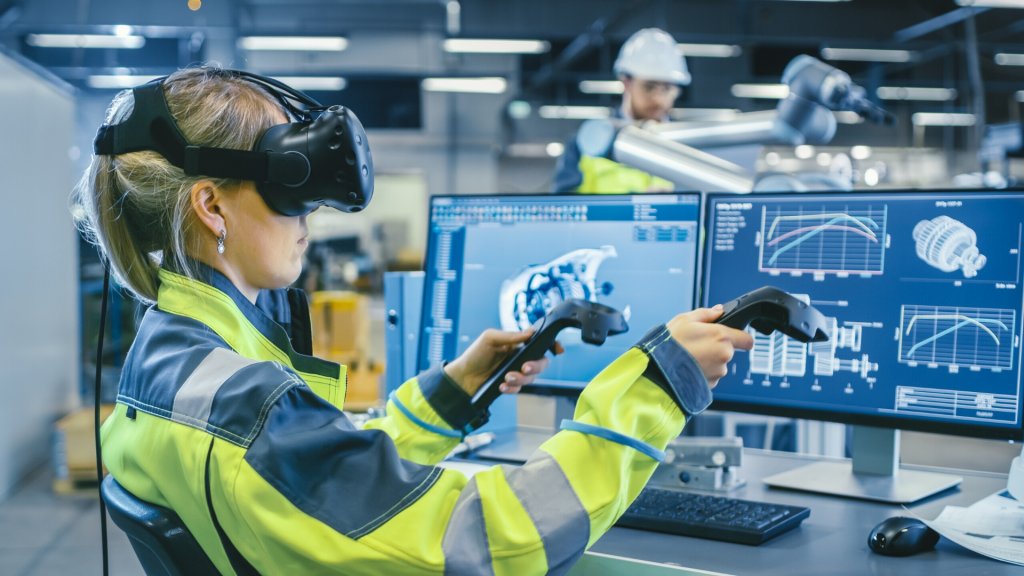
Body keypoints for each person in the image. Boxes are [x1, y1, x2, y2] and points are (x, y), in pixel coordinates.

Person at [76, 66, 752, 575]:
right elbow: (489, 537)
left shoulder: (175, 359)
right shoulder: (242, 410)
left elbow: (326, 477)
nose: (309, 217)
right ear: (211, 207)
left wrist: (452, 392)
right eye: (290, 190)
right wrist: (657, 383)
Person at [554, 27, 689, 194]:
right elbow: (566, 209)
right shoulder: (589, 141)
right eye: (649, 87)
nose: (659, 99)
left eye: (667, 89)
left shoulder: (687, 144)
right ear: (627, 83)